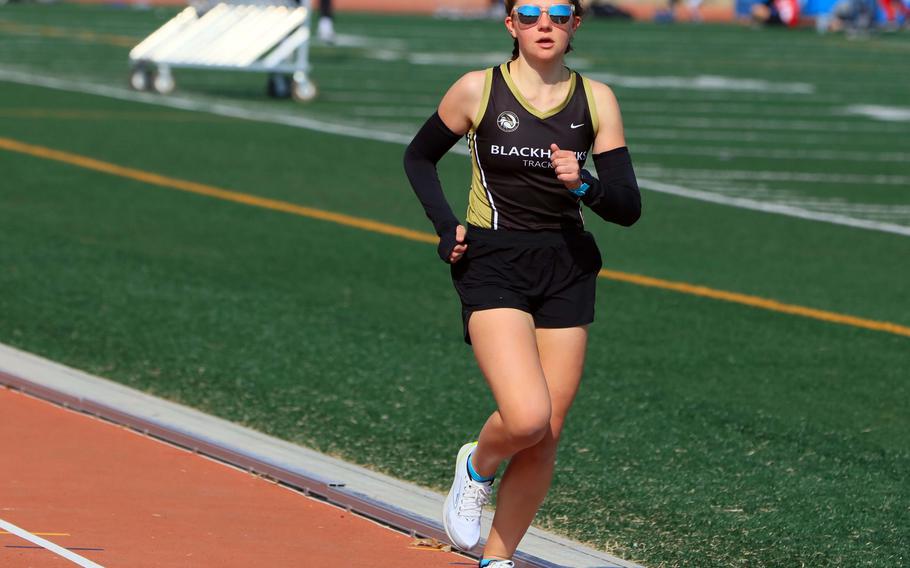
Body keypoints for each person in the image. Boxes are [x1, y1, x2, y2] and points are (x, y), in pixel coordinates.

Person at [402, 2, 641, 566]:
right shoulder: (476, 90)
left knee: (546, 434)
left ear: (575, 25)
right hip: (493, 260)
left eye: (559, 14)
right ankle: (477, 464)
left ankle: (498, 557)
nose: (544, 24)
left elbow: (628, 207)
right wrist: (445, 227)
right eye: (530, 13)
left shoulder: (596, 99)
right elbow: (419, 158)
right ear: (510, 24)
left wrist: (584, 184)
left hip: (567, 264)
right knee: (526, 416)